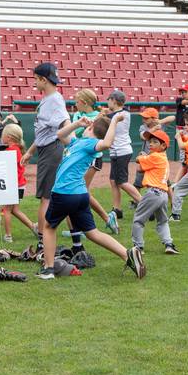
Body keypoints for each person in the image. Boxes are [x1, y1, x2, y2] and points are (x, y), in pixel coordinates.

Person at [37, 113, 145, 280]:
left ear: (91, 128)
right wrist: (77, 124)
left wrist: (114, 121)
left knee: (49, 228)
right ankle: (128, 254)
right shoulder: (77, 142)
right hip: (80, 195)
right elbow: (60, 135)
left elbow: (107, 143)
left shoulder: (91, 144)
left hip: (64, 193)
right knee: (92, 233)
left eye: (86, 126)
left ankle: (48, 269)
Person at [21, 63, 70, 249]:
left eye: (36, 79)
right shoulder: (48, 99)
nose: (35, 83)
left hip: (52, 149)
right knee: (48, 196)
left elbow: (64, 124)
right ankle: (68, 236)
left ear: (43, 79)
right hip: (46, 148)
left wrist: (72, 142)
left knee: (46, 198)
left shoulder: (55, 100)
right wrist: (30, 151)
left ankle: (43, 239)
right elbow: (44, 131)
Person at [71, 88, 118, 235]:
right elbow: (74, 134)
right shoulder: (78, 115)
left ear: (84, 102)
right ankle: (78, 228)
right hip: (79, 156)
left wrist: (91, 122)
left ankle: (103, 219)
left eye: (77, 101)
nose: (74, 103)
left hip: (93, 157)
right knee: (78, 191)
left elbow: (103, 135)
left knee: (81, 190)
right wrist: (81, 124)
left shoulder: (98, 116)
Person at [131, 130, 178, 254]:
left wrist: (141, 155)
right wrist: (144, 158)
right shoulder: (161, 157)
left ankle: (138, 247)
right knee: (162, 221)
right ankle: (169, 244)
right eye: (150, 141)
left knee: (138, 220)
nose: (150, 144)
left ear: (163, 146)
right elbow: (140, 167)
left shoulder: (155, 156)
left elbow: (138, 163)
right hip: (162, 194)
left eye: (155, 142)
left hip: (153, 193)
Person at [105, 90, 142, 222]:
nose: (107, 102)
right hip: (116, 151)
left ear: (114, 100)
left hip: (122, 151)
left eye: (109, 99)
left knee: (122, 182)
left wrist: (101, 114)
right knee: (113, 181)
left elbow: (109, 118)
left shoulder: (121, 114)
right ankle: (117, 210)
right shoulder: (120, 112)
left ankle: (145, 206)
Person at [0, 124, 37, 243]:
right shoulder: (16, 149)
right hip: (19, 185)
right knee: (14, 210)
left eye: (3, 135)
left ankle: (8, 235)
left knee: (6, 210)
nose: (1, 137)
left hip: (13, 185)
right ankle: (33, 227)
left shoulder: (11, 151)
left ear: (9, 137)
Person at [133, 107, 176, 192]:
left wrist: (160, 121)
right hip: (146, 156)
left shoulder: (160, 124)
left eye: (146, 118)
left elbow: (173, 117)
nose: (143, 119)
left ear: (154, 119)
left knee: (166, 183)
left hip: (159, 157)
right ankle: (135, 201)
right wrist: (154, 129)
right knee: (138, 182)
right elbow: (143, 137)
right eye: (143, 117)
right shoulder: (143, 127)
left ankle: (173, 203)